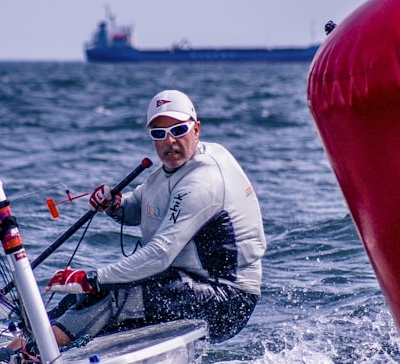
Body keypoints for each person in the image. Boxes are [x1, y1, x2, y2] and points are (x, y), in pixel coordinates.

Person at [40, 88, 266, 347]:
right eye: (159, 134)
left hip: (227, 301)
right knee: (82, 299)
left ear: (196, 129)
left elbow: (160, 255)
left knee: (109, 293)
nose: (169, 141)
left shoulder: (203, 182)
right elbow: (139, 207)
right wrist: (115, 204)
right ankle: (21, 346)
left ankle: (36, 353)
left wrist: (92, 277)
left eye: (178, 130)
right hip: (183, 284)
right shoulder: (174, 169)